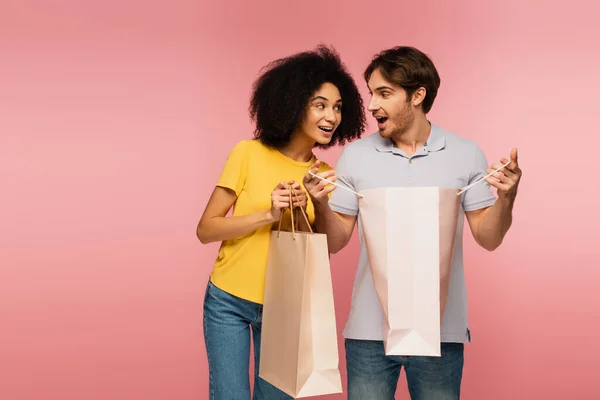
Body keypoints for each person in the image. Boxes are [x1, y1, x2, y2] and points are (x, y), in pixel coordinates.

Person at [304, 46, 523, 399]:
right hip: (369, 333)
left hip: (440, 331)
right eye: (371, 93)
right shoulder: (355, 157)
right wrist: (319, 203)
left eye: (384, 93)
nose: (372, 104)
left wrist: (507, 197)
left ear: (418, 95)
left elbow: (488, 236)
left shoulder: (465, 154)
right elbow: (334, 241)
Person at [196, 45, 366, 399]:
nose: (331, 116)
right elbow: (206, 229)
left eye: (337, 108)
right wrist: (269, 215)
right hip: (229, 300)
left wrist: (316, 202)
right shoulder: (248, 153)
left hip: (286, 306)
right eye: (320, 104)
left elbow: (332, 246)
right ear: (293, 103)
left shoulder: (325, 175)